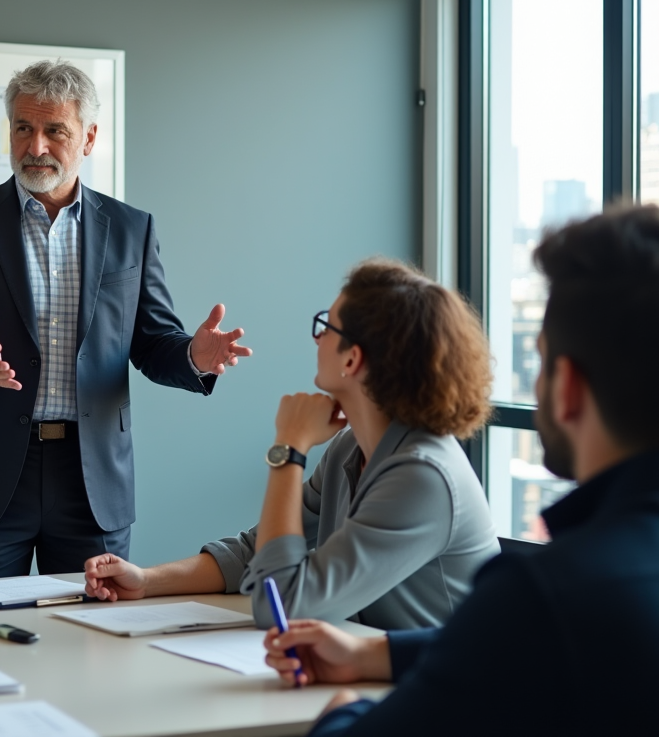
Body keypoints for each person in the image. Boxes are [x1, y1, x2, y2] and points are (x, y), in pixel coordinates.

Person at [264, 206, 659, 736]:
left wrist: (345, 708)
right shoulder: (581, 595)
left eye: (539, 361)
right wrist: (374, 653)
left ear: (567, 387)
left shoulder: (543, 594)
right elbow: (515, 646)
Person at [0, 60, 251, 580]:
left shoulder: (131, 229)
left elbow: (151, 343)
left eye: (54, 130)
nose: (35, 146)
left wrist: (194, 357)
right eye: (23, 128)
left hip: (92, 482)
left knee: (95, 643)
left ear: (88, 138)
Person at [85, 258, 500, 631]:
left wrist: (289, 448)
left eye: (326, 327)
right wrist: (145, 580)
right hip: (371, 679)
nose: (316, 340)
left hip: (441, 704)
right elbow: (257, 551)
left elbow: (280, 606)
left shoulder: (424, 476)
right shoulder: (349, 448)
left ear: (352, 359)